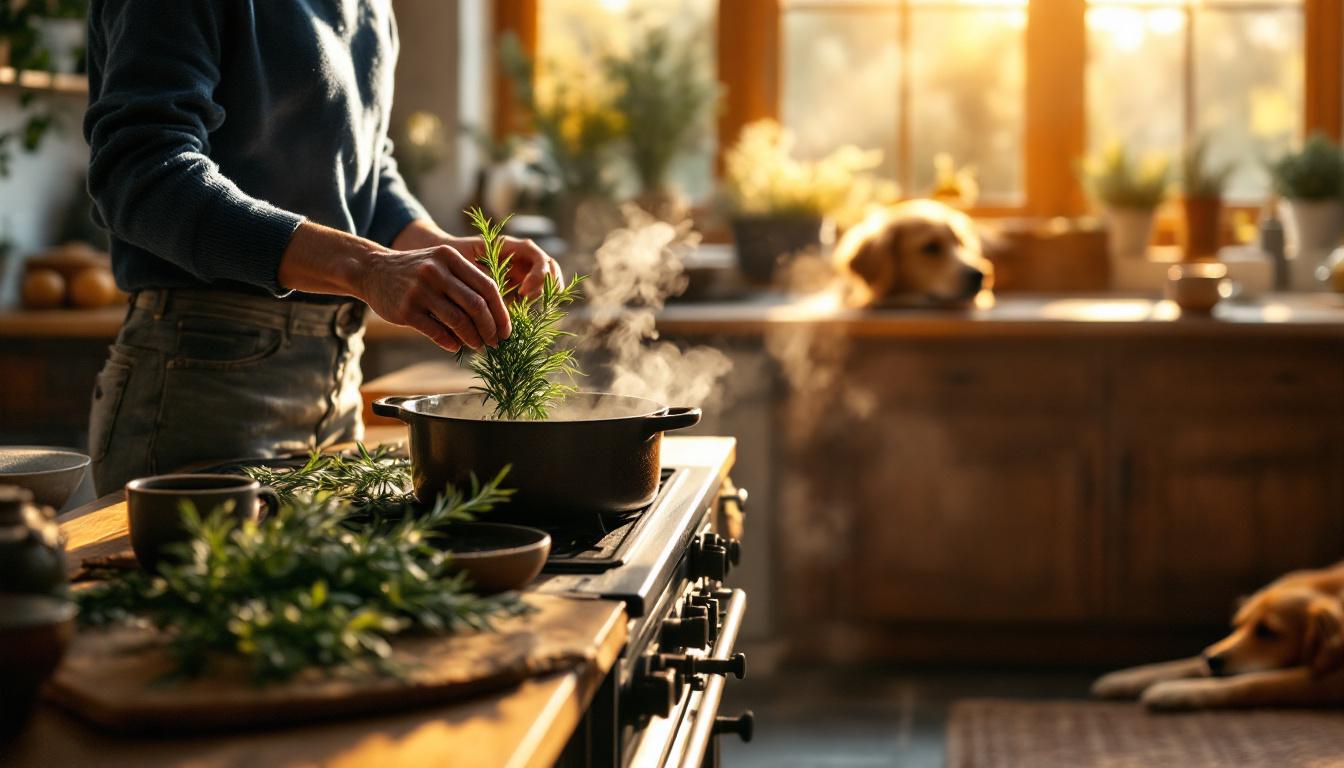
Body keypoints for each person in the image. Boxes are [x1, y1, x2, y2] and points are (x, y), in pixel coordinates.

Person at [83, 0, 559, 494]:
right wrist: (369, 267)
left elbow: (367, 173)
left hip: (336, 385)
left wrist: (436, 248)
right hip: (200, 385)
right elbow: (139, 172)